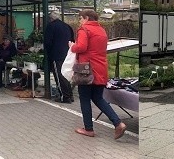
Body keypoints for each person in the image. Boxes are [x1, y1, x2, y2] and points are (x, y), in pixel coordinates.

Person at [69, 9, 127, 140]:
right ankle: (118, 123)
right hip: (100, 68)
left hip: (86, 70)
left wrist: (72, 46)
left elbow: (82, 47)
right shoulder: (101, 30)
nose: (80, 21)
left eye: (81, 18)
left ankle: (88, 129)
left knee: (84, 98)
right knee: (98, 98)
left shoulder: (84, 29)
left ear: (87, 18)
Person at [44, 11, 74, 103]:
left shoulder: (51, 26)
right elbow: (72, 40)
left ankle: (64, 97)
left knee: (59, 75)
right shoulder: (67, 26)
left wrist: (47, 53)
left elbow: (48, 42)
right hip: (67, 54)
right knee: (65, 74)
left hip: (56, 55)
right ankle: (70, 95)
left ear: (51, 18)